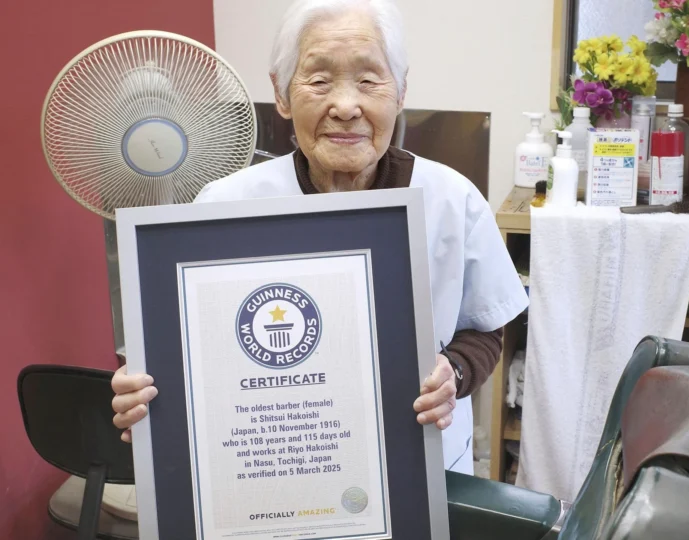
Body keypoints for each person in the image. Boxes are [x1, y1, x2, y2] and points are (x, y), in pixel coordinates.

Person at [111, 0, 528, 475]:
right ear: (282, 94)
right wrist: (144, 392)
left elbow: (485, 327)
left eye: (369, 80)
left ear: (401, 91)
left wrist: (452, 373)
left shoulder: (452, 199)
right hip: (272, 466)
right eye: (320, 80)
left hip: (420, 468)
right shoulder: (224, 206)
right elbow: (187, 347)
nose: (346, 106)